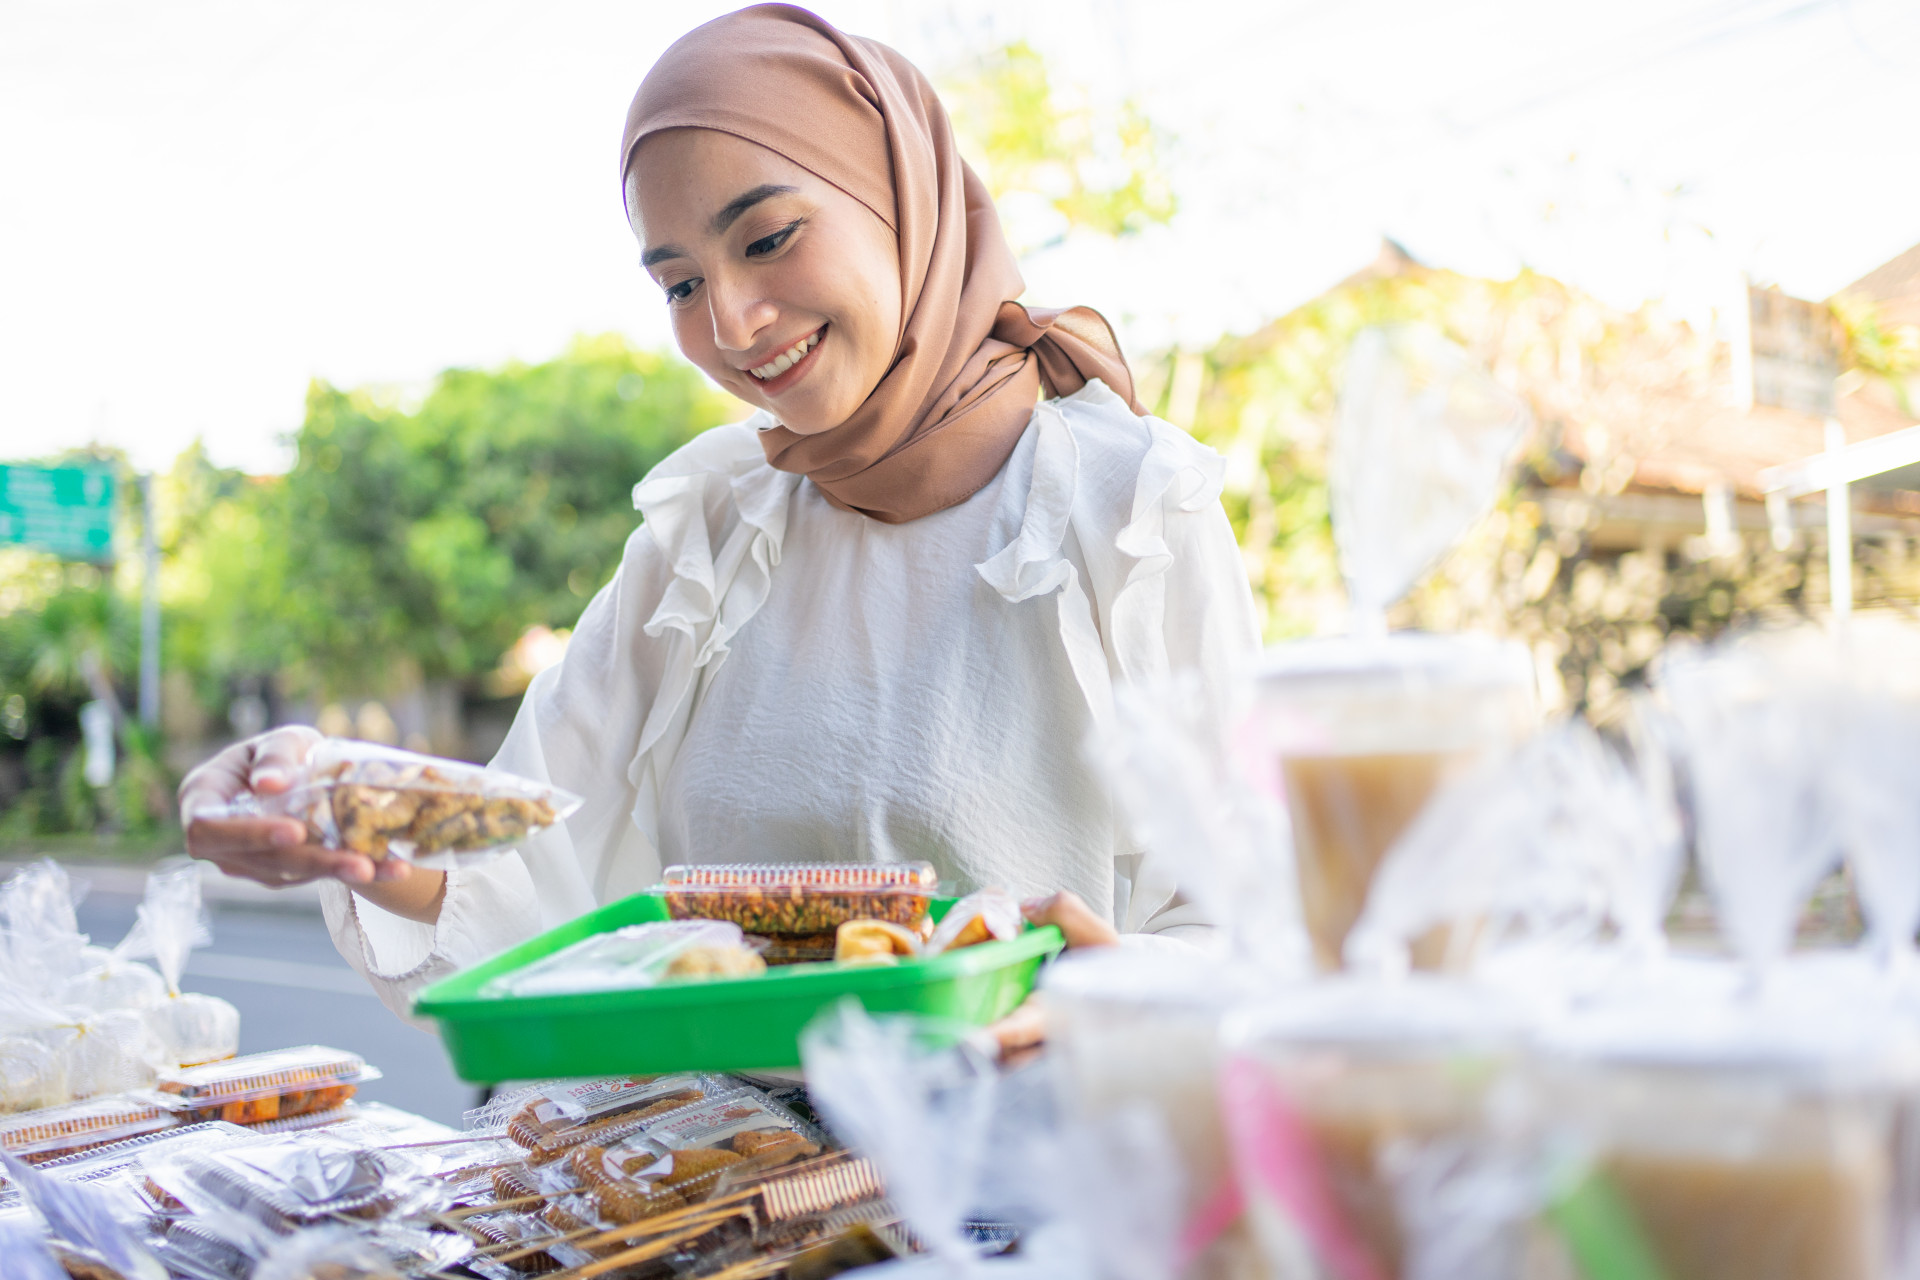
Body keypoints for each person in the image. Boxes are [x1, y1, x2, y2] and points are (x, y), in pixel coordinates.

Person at [179, 3, 1259, 1023]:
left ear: (901, 199)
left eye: (769, 238)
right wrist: (330, 807)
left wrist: (1100, 995)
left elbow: (1244, 922)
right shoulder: (711, 528)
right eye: (681, 285)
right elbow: (530, 864)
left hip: (1033, 1176)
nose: (734, 323)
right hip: (723, 1190)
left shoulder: (1132, 508)